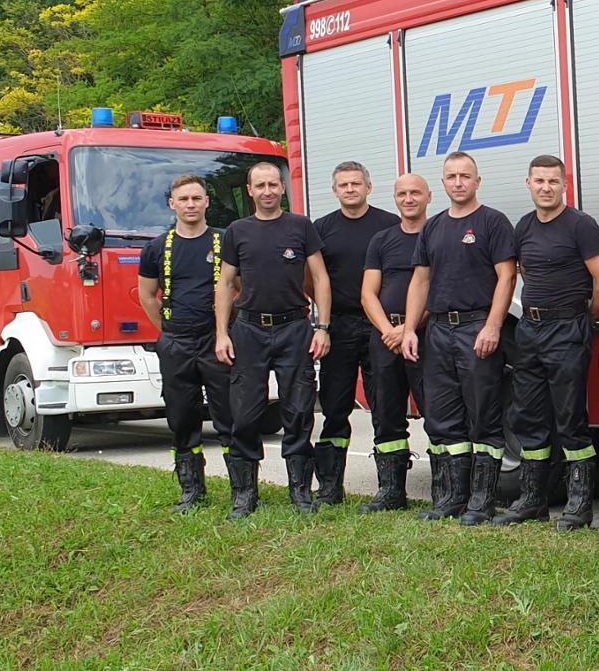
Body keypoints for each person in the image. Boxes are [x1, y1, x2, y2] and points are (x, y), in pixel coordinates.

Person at [495, 156, 599, 529]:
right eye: (540, 181)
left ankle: (578, 503)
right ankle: (533, 498)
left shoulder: (581, 226)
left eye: (553, 181)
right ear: (528, 183)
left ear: (565, 185)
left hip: (567, 328)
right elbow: (524, 272)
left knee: (570, 417)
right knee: (528, 416)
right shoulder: (524, 226)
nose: (546, 187)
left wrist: (583, 318)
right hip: (530, 330)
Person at [402, 152, 516, 526]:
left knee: (483, 416)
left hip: (475, 327)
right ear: (443, 183)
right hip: (438, 330)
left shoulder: (492, 223)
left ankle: (482, 502)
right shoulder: (433, 227)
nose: (458, 182)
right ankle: (453, 497)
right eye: (451, 176)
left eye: (465, 176)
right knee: (444, 416)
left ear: (477, 181)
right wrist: (409, 329)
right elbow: (420, 280)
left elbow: (506, 277)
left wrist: (493, 325)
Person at [213, 162, 331, 519]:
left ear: (283, 188)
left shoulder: (300, 226)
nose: (267, 191)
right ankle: (245, 494)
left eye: (273, 185)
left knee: (297, 412)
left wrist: (322, 327)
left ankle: (300, 492)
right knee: (245, 414)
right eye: (259, 185)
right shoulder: (237, 231)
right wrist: (222, 333)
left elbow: (321, 278)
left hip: (294, 329)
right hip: (248, 330)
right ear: (249, 190)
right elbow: (224, 283)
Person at [136, 174, 232, 513]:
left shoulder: (225, 240)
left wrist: (227, 325)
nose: (190, 204)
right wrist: (165, 328)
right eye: (184, 199)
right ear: (171, 204)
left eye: (196, 198)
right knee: (181, 417)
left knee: (229, 415)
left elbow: (243, 286)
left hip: (218, 341)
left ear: (207, 201)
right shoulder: (156, 247)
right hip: (176, 342)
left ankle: (243, 491)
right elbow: (147, 295)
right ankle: (192, 491)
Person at [311, 162, 402, 506]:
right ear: (334, 190)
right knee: (335, 406)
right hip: (340, 325)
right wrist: (325, 319)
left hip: (381, 326)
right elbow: (313, 279)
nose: (350, 189)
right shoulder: (322, 230)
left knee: (385, 404)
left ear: (369, 186)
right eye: (343, 185)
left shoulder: (389, 226)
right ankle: (330, 488)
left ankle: (390, 489)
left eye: (355, 183)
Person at [357, 173, 432, 513]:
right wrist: (390, 329)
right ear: (395, 198)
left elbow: (441, 288)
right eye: (402, 193)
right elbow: (368, 293)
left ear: (428, 196)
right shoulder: (381, 240)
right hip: (385, 338)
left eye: (415, 192)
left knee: (437, 413)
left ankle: (445, 490)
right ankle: (391, 491)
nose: (409, 198)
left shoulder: (438, 235)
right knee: (386, 413)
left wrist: (410, 328)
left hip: (427, 336)